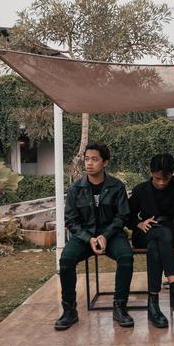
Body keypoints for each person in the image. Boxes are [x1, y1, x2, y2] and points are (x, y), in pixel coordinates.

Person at [55, 142, 134, 331]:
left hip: (112, 235)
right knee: (66, 259)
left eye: (95, 159)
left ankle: (120, 307)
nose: (89, 163)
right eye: (87, 159)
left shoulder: (116, 186)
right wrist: (87, 238)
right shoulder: (76, 188)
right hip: (84, 236)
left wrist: (105, 236)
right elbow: (71, 220)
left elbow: (123, 216)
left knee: (126, 258)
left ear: (105, 162)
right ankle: (69, 311)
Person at [128, 153, 174, 328]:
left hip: (168, 232)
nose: (161, 182)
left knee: (157, 243)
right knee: (158, 237)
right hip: (145, 232)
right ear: (151, 173)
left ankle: (153, 305)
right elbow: (126, 215)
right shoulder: (140, 190)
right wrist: (138, 222)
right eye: (157, 178)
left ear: (172, 174)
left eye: (165, 178)